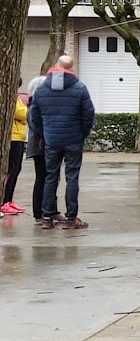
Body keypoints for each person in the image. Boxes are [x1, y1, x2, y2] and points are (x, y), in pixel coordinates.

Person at [29, 55, 95, 230]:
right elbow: (88, 116)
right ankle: (71, 217)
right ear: (72, 68)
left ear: (56, 66)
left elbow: (34, 117)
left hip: (51, 140)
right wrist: (82, 134)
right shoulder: (80, 88)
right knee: (72, 177)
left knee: (51, 176)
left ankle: (47, 216)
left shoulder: (42, 89)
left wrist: (46, 133)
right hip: (73, 140)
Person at [25, 76, 60, 224]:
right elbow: (38, 127)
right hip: (41, 148)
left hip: (47, 146)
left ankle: (50, 210)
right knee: (43, 179)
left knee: (51, 179)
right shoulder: (34, 107)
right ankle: (40, 213)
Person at [2, 78, 29, 215]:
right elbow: (22, 114)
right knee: (12, 169)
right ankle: (5, 201)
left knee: (16, 169)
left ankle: (9, 200)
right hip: (14, 137)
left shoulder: (16, 97)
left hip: (18, 136)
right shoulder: (11, 97)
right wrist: (27, 109)